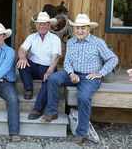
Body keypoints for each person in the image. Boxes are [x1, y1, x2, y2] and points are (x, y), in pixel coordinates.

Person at [42, 13, 118, 144]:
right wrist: (71, 74)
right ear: (74, 29)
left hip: (90, 77)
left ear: (89, 29)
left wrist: (101, 73)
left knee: (83, 97)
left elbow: (113, 58)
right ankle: (52, 111)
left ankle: (81, 132)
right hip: (73, 73)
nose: (80, 31)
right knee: (53, 78)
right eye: (77, 28)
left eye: (83, 28)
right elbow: (67, 62)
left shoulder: (98, 42)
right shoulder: (71, 42)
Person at [17, 11, 62, 120]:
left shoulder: (55, 39)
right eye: (40, 24)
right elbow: (21, 49)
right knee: (21, 62)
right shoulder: (31, 37)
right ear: (36, 25)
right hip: (34, 66)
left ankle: (38, 109)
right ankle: (28, 88)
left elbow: (56, 56)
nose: (42, 26)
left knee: (49, 81)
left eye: (45, 24)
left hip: (48, 67)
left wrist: (51, 69)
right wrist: (22, 57)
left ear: (49, 25)